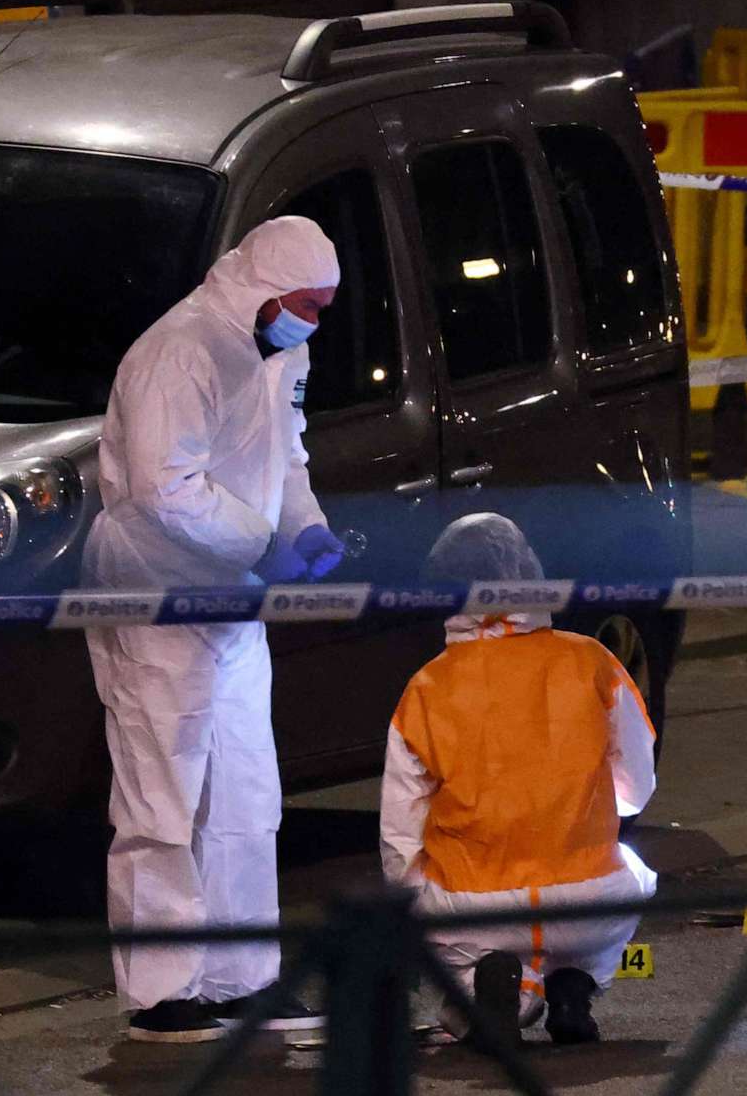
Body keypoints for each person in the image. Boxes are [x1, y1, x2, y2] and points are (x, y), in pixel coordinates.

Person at [85, 215, 348, 1044]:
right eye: (308, 304)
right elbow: (166, 490)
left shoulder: (280, 349)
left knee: (243, 791)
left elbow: (289, 456)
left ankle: (240, 977)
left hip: (232, 597)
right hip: (158, 592)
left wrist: (304, 528)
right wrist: (265, 541)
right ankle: (163, 992)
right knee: (161, 792)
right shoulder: (182, 352)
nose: (316, 321)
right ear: (267, 291)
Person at [380, 513, 658, 1046]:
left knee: (464, 979)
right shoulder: (592, 661)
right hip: (588, 900)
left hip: (475, 907)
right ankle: (576, 981)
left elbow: (400, 831)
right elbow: (636, 789)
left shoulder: (427, 687)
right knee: (638, 872)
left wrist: (413, 908)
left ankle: (512, 987)